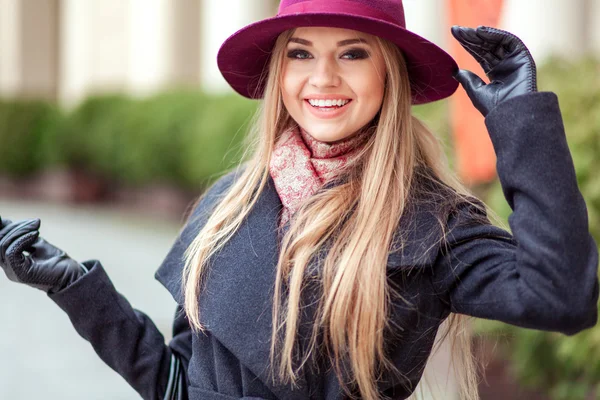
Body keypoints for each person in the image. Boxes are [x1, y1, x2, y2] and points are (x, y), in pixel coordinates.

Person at [0, 0, 598, 399]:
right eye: (301, 52)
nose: (323, 78)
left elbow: (563, 295)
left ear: (389, 74)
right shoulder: (227, 210)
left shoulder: (431, 225)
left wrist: (521, 119)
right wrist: (75, 288)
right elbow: (177, 385)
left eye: (353, 52)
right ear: (280, 72)